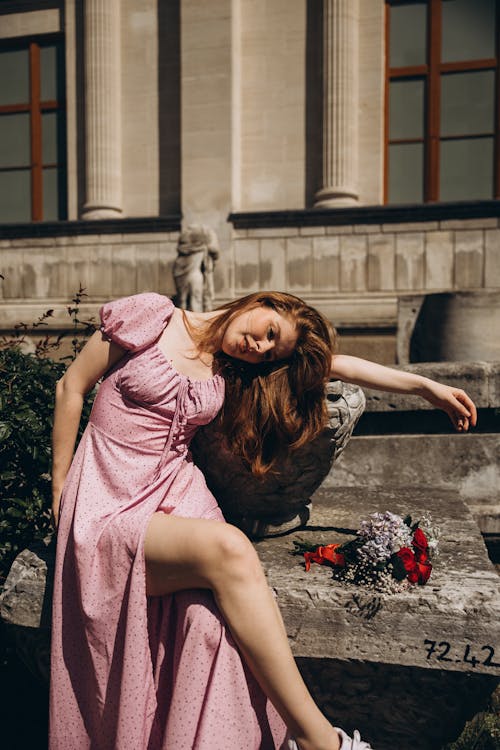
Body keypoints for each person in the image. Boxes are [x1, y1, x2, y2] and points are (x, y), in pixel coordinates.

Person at [49, 291, 477, 750]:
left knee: (209, 626)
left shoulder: (229, 369)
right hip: (107, 500)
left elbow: (340, 366)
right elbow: (70, 386)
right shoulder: (153, 316)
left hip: (174, 497)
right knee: (233, 549)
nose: (260, 347)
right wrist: (60, 491)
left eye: (272, 351)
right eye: (269, 332)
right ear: (261, 302)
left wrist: (424, 387)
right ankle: (319, 740)